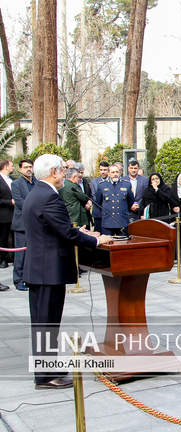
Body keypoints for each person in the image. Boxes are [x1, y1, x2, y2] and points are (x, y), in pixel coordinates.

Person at [24, 154, 111, 389]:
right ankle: (45, 376)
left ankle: (48, 368)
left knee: (45, 324)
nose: (65, 173)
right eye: (62, 169)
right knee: (46, 325)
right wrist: (96, 240)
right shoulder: (48, 197)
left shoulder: (38, 193)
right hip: (47, 271)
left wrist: (82, 233)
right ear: (53, 172)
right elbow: (66, 233)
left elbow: (54, 229)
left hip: (41, 269)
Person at [10, 159, 36, 292]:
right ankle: (18, 280)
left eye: (30, 166)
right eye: (25, 167)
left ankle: (30, 278)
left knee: (33, 253)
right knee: (20, 254)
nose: (28, 169)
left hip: (36, 224)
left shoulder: (37, 183)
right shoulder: (16, 184)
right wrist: (36, 208)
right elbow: (19, 202)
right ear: (20, 169)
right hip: (22, 224)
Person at [95, 164, 136, 235]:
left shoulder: (127, 184)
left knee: (123, 241)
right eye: (113, 172)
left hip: (122, 220)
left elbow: (131, 201)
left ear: (120, 173)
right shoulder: (102, 185)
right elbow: (98, 202)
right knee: (107, 241)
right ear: (108, 173)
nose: (115, 174)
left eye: (117, 172)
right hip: (108, 221)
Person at [0, 159, 14, 269]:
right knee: (3, 238)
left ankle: (13, 257)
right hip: (3, 215)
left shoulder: (12, 179)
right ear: (5, 167)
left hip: (15, 215)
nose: (13, 167)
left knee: (14, 237)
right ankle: (2, 259)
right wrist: (10, 202)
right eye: (11, 165)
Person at [90, 161, 110, 233]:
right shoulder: (94, 182)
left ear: (108, 170)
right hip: (98, 213)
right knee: (98, 233)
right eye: (101, 170)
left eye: (105, 170)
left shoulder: (112, 181)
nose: (103, 172)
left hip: (110, 214)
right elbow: (94, 197)